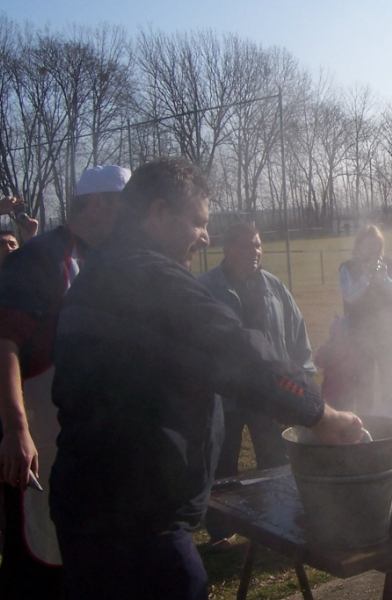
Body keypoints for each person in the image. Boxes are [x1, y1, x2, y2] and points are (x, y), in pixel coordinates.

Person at [48, 157, 362, 600]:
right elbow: (240, 353)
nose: (206, 236)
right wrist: (320, 414)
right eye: (199, 222)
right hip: (139, 525)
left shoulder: (94, 275)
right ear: (158, 214)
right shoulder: (152, 278)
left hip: (85, 511)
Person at [0, 165, 130, 599]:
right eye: (124, 208)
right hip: (40, 439)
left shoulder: (108, 261)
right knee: (39, 554)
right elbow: (5, 345)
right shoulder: (38, 258)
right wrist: (17, 430)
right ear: (98, 204)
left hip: (88, 441)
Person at [198, 222, 315, 550]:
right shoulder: (206, 288)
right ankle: (221, 532)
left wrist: (301, 379)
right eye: (248, 246)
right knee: (222, 464)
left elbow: (296, 334)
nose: (256, 252)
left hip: (269, 395)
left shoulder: (274, 287)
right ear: (228, 249)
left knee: (276, 462)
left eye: (259, 245)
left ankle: (279, 521)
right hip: (225, 397)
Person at [338, 225, 392, 413]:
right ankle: (366, 424)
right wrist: (365, 278)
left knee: (390, 382)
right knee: (364, 384)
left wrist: (383, 278)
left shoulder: (388, 264)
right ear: (358, 245)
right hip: (360, 335)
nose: (372, 250)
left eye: (376, 245)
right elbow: (349, 295)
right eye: (367, 245)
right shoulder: (347, 267)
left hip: (389, 334)